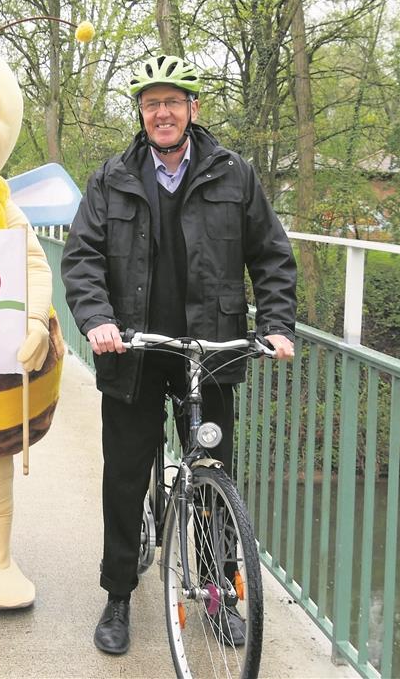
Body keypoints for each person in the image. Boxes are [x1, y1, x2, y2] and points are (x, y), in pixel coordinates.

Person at [60, 53, 296, 655]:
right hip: (134, 350)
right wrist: (97, 320)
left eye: (172, 102)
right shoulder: (111, 177)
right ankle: (117, 595)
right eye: (150, 103)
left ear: (193, 109)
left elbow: (270, 255)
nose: (161, 113)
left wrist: (275, 324)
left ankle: (219, 596)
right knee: (125, 475)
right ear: (141, 114)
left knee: (215, 472)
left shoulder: (234, 175)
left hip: (208, 349)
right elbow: (82, 258)